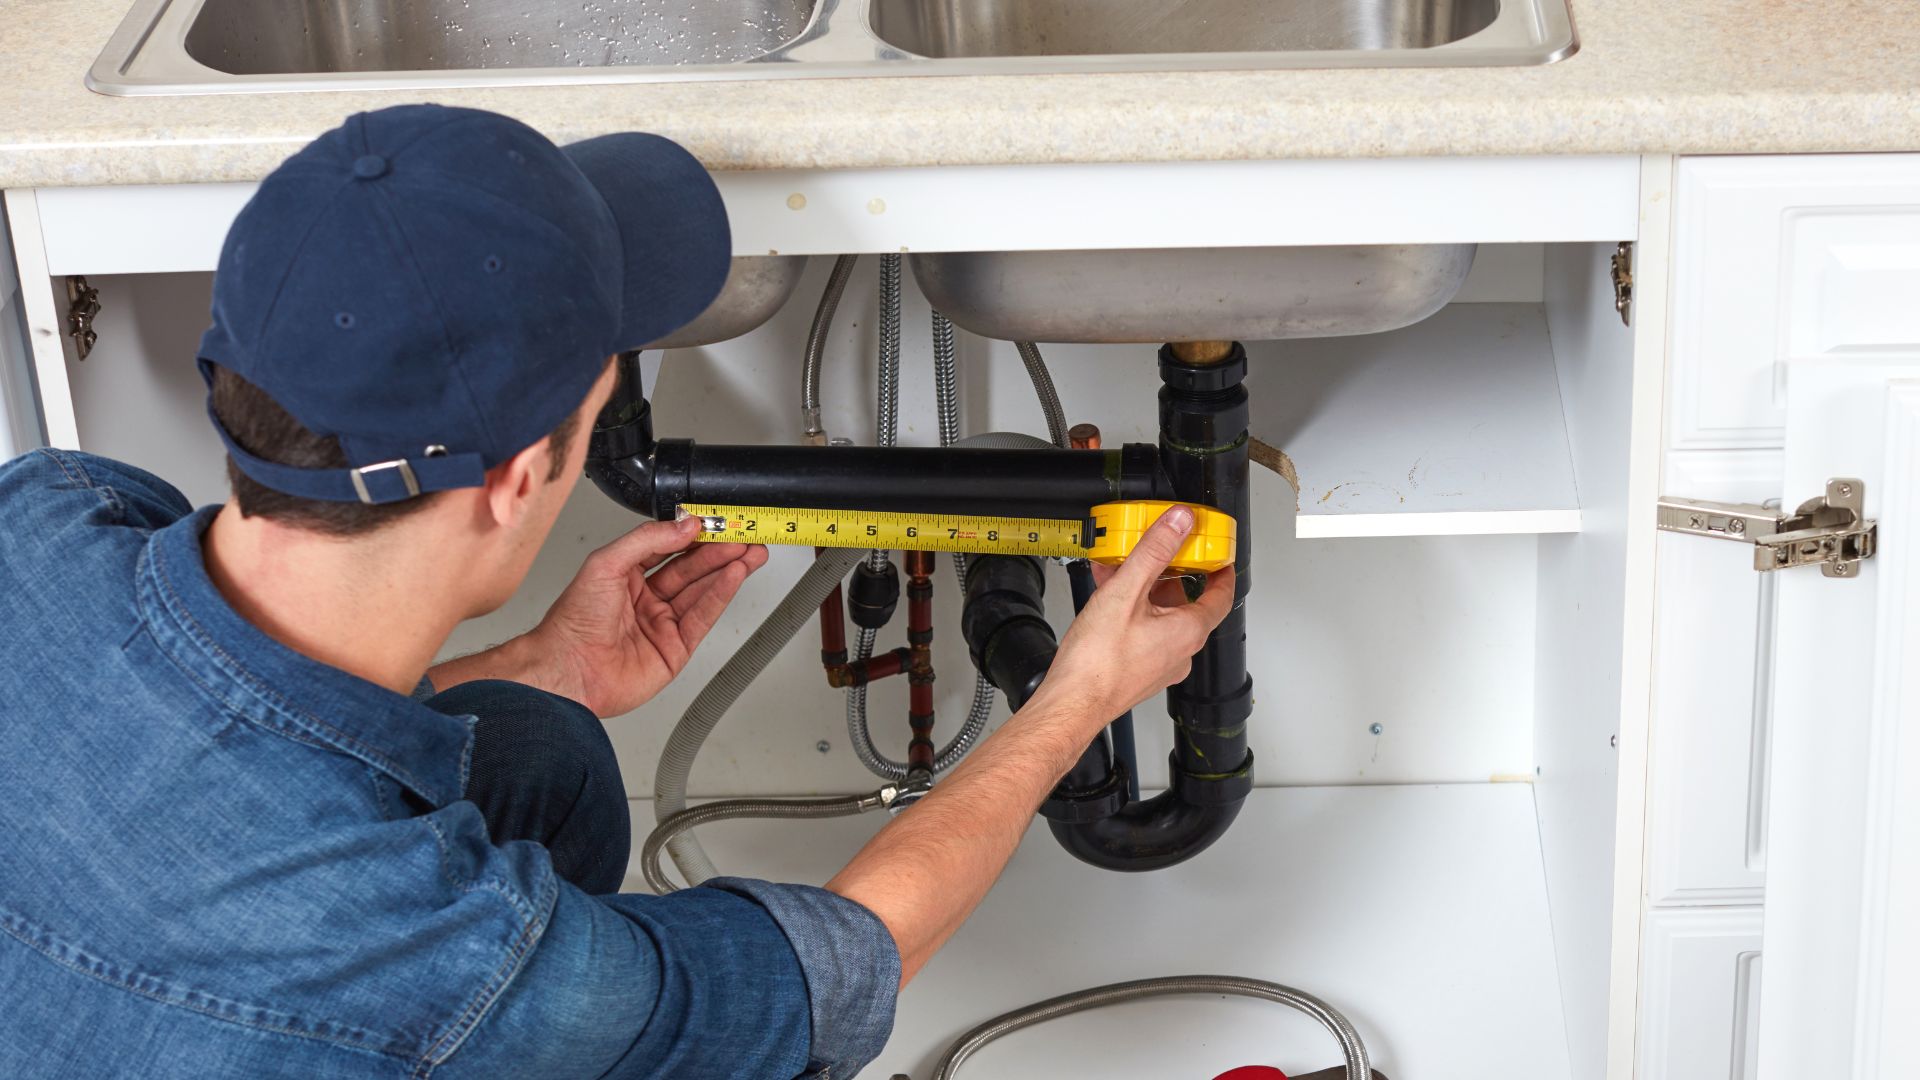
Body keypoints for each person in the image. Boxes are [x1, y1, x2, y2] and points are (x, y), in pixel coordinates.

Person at [0, 105, 1233, 1079]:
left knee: (534, 740)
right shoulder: (448, 957)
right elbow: (833, 966)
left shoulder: (46, 517)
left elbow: (228, 752)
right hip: (348, 1005)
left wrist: (548, 666)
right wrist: (1073, 699)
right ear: (526, 474)